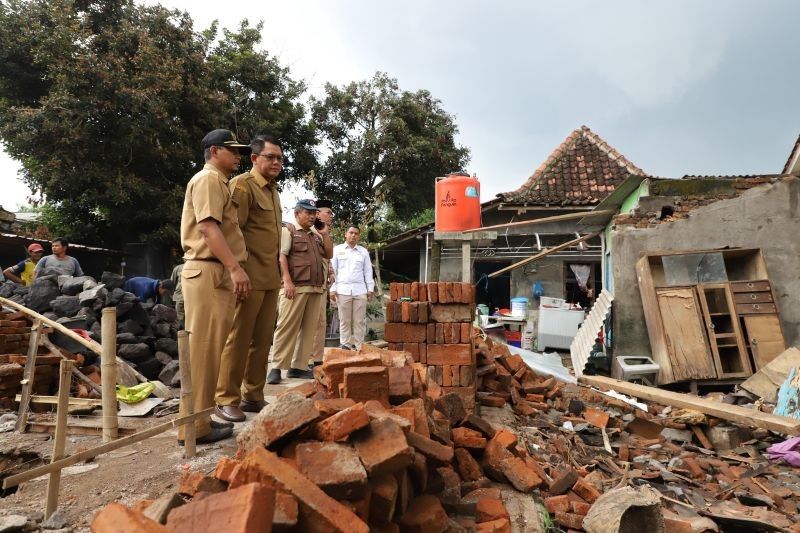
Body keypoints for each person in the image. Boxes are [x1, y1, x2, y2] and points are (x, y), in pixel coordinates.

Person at [177, 128, 251, 445]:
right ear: (215, 151)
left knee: (210, 352)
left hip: (214, 272)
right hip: (209, 270)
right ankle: (193, 428)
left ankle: (200, 420)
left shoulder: (219, 182)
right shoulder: (208, 179)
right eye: (233, 151)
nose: (239, 156)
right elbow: (208, 228)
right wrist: (234, 268)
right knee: (203, 352)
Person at [214, 134, 284, 422]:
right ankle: (226, 398)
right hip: (248, 276)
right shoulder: (243, 186)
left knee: (263, 339)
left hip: (270, 278)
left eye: (279, 158)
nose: (277, 162)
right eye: (271, 157)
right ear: (255, 158)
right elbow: (232, 230)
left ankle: (253, 395)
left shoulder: (272, 190)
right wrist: (235, 270)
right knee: (239, 338)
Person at [267, 199, 333, 385]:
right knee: (286, 327)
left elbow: (329, 255)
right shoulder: (289, 230)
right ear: (297, 214)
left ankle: (298, 367)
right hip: (295, 288)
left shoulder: (315, 235)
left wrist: (325, 234)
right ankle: (276, 367)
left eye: (314, 213)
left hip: (315, 288)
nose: (312, 216)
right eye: (308, 212)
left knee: (308, 330)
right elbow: (282, 257)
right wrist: (286, 281)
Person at [294, 199, 334, 369]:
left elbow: (326, 257)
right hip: (304, 284)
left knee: (320, 322)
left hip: (320, 284)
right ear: (318, 213)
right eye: (328, 213)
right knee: (307, 323)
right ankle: (306, 359)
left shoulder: (322, 232)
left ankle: (316, 358)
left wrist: (331, 272)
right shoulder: (307, 231)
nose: (331, 216)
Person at [330, 226, 374, 349]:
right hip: (342, 290)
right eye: (351, 233)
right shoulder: (337, 250)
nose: (353, 235)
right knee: (344, 320)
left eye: (356, 233)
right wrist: (332, 289)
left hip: (360, 290)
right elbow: (333, 271)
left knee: (359, 320)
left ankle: (360, 346)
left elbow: (368, 272)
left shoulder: (363, 251)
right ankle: (345, 344)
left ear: (358, 236)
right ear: (345, 234)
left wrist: (370, 289)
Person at [170, 263, 185, 327]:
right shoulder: (178, 268)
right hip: (180, 296)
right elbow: (172, 282)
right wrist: (172, 294)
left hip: (192, 297)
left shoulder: (199, 267)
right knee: (179, 317)